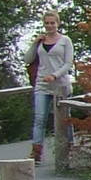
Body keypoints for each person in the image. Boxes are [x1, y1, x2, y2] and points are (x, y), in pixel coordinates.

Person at [26, 11, 75, 163]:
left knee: (64, 118)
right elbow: (27, 59)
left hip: (60, 84)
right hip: (42, 83)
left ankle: (69, 147)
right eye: (47, 23)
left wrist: (55, 75)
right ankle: (36, 151)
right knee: (40, 118)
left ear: (58, 23)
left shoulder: (65, 41)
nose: (49, 26)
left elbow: (68, 63)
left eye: (52, 23)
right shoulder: (41, 41)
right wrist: (35, 43)